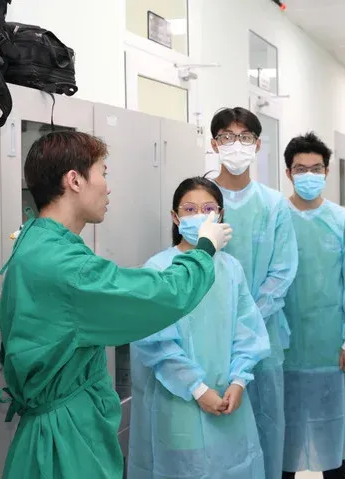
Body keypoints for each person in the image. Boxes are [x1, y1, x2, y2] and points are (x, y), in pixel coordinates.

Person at [0, 132, 232, 479]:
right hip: (65, 440)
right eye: (103, 173)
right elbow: (161, 295)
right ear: (75, 180)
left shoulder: (36, 239)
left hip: (59, 423)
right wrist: (204, 250)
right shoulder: (64, 265)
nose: (108, 188)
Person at [128, 176, 271, 479]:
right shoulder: (159, 269)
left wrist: (238, 381)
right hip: (179, 402)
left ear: (220, 215)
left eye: (208, 209)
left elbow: (247, 331)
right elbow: (156, 343)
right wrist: (197, 388)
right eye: (190, 210)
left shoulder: (230, 268)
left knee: (234, 468)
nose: (199, 216)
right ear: (175, 217)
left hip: (229, 399)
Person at [211, 107, 299, 479]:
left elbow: (282, 271)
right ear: (214, 143)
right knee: (217, 424)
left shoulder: (273, 204)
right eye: (227, 137)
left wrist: (246, 322)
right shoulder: (202, 199)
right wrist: (222, 322)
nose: (236, 144)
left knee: (266, 424)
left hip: (263, 335)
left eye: (245, 137)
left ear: (258, 145)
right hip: (211, 333)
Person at [280, 132, 345, 479]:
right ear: (288, 172)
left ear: (327, 172)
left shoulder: (343, 221)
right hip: (283, 346)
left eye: (316, 168)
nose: (309, 175)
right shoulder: (276, 217)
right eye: (301, 169)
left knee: (332, 440)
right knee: (283, 440)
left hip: (330, 348)